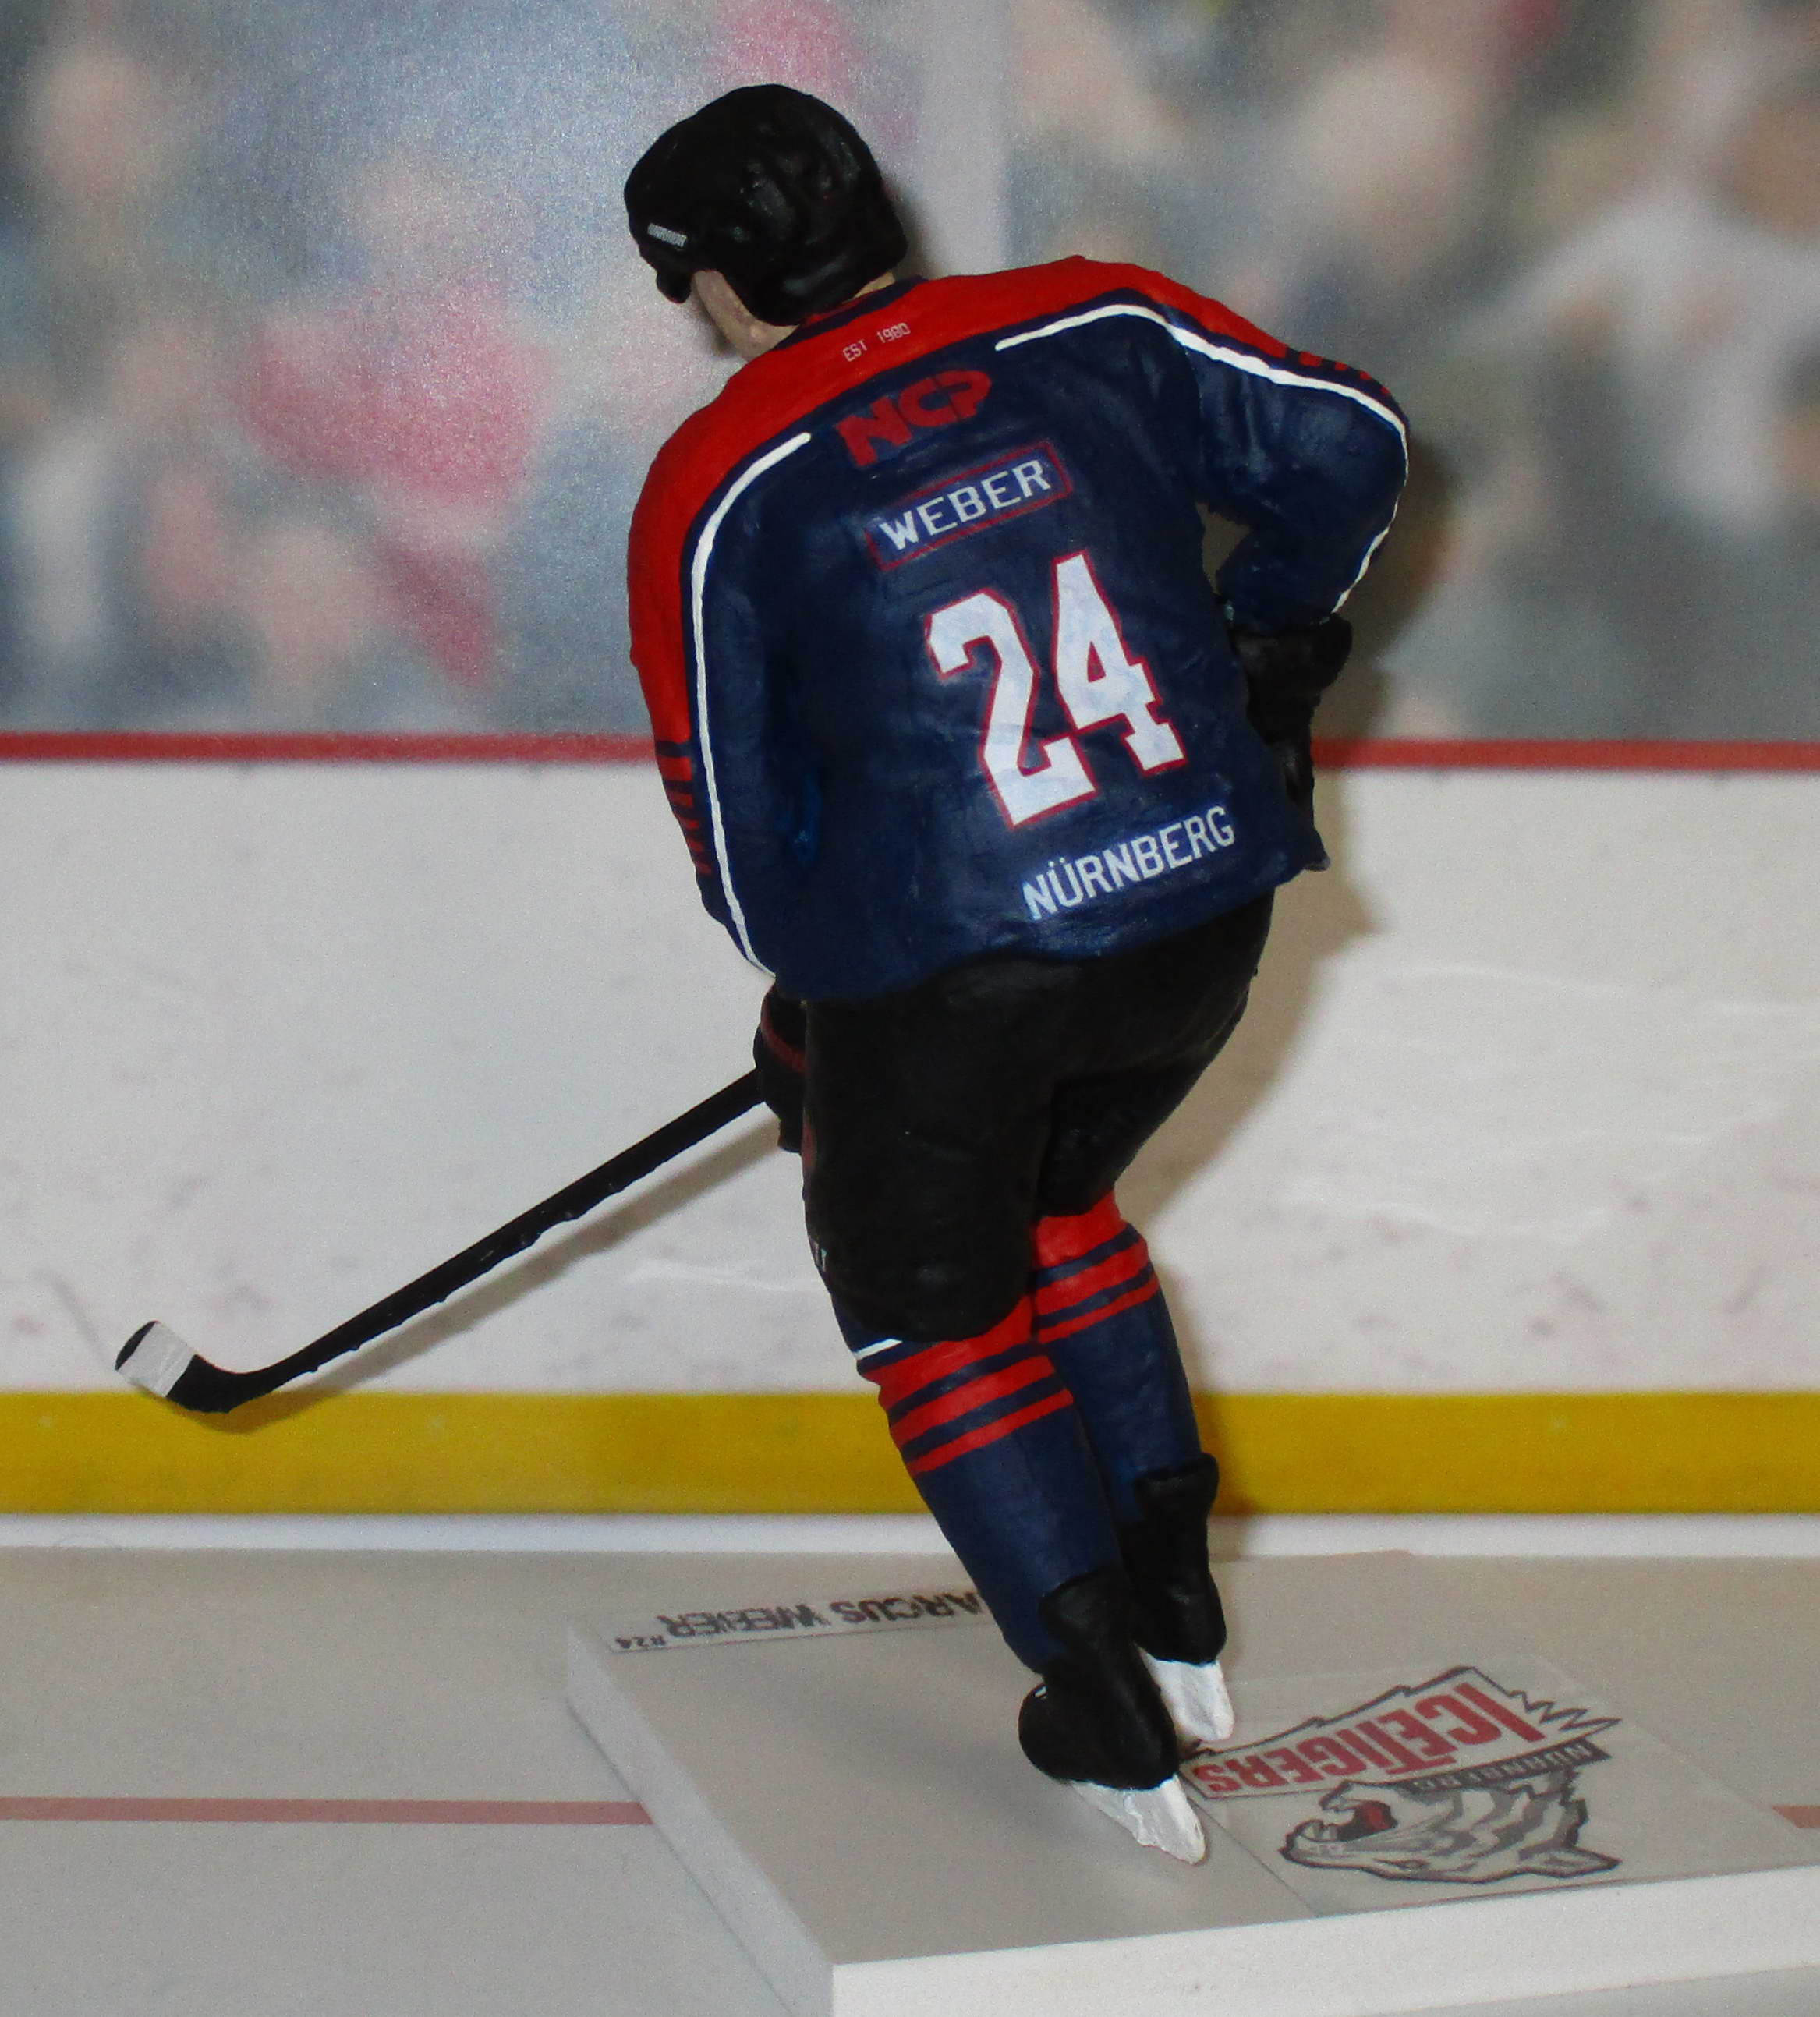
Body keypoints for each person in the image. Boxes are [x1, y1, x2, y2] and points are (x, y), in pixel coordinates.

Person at [622, 84, 1405, 1860]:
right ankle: (1178, 1605)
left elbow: (732, 824)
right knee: (1055, 1204)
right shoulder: (1093, 315)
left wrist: (818, 997)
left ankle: (1100, 1700)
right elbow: (1351, 443)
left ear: (720, 277)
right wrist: (1271, 633)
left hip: (960, 972)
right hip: (1202, 917)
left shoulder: (715, 482)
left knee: (928, 1305)